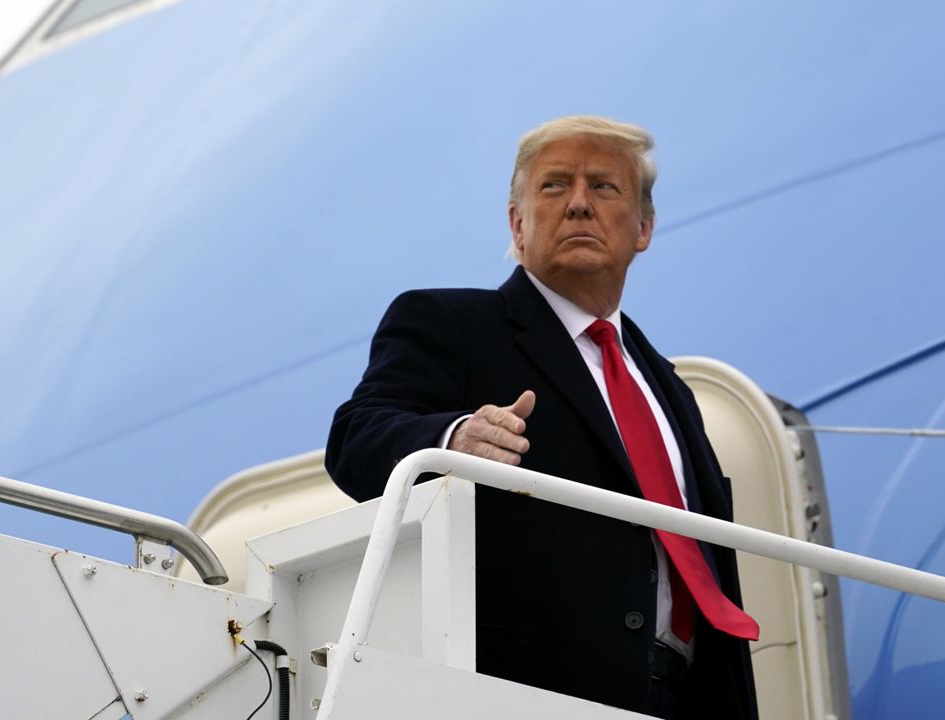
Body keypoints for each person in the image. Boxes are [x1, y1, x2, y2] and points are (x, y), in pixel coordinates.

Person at [325, 116, 758, 719]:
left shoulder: (668, 387)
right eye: (554, 186)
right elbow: (355, 438)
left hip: (688, 693)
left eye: (605, 186)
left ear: (645, 228)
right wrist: (453, 440)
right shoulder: (450, 324)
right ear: (517, 222)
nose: (579, 203)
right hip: (533, 692)